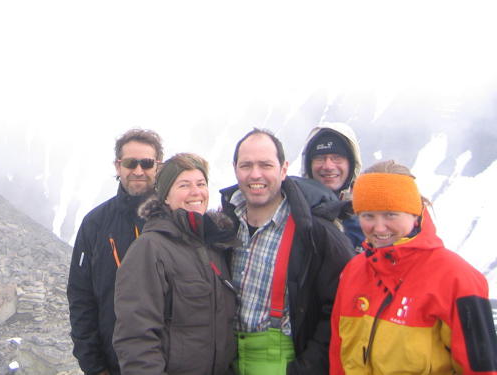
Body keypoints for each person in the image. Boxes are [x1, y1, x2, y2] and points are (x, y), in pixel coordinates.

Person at [330, 160, 497, 375]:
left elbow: (482, 369)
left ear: (415, 213)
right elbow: (338, 355)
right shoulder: (354, 271)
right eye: (368, 215)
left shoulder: (457, 278)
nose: (379, 227)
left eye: (391, 214)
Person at [220, 128, 355, 375]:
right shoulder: (224, 226)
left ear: (283, 169)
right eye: (246, 165)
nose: (255, 174)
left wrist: (307, 369)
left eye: (266, 165)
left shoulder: (315, 231)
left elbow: (342, 307)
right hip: (228, 360)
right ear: (235, 168)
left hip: (283, 362)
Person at [113, 153, 238, 375]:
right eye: (184, 185)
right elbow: (136, 338)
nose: (195, 192)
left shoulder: (215, 247)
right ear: (165, 197)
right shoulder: (149, 249)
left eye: (201, 184)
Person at [67, 129, 164, 375]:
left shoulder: (173, 220)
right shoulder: (96, 224)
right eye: (131, 163)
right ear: (118, 166)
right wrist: (94, 366)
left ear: (158, 167)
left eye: (147, 163)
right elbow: (81, 297)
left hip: (168, 361)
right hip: (113, 365)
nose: (139, 171)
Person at [301, 122, 364, 249]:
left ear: (351, 165)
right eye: (319, 158)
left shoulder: (369, 217)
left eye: (337, 157)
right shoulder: (293, 209)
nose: (328, 166)